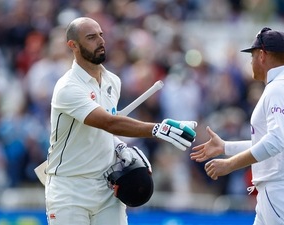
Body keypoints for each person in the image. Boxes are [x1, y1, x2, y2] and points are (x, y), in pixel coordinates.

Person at [45, 17, 197, 225]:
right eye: (91, 37)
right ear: (73, 46)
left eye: (101, 35)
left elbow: (104, 131)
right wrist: (159, 129)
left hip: (106, 187)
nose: (100, 41)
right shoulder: (68, 88)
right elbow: (108, 122)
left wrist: (119, 146)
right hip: (69, 189)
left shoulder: (112, 81)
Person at [190, 27, 284, 224]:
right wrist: (226, 147)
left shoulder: (279, 88)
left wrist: (230, 164)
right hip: (281, 189)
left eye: (253, 55)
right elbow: (273, 143)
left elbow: (275, 142)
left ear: (262, 55)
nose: (251, 61)